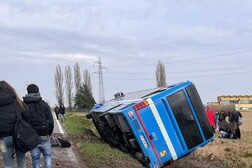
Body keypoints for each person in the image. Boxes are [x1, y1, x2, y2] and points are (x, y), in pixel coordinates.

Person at [22, 84, 54, 168]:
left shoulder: (23, 105)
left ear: (27, 92)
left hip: (32, 137)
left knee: (35, 158)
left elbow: (21, 122)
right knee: (47, 156)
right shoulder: (44, 104)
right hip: (44, 134)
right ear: (38, 92)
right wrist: (48, 133)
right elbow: (51, 122)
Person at [0, 80, 27, 168]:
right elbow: (26, 116)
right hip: (19, 136)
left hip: (2, 139)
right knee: (21, 162)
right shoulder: (17, 101)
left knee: (8, 164)